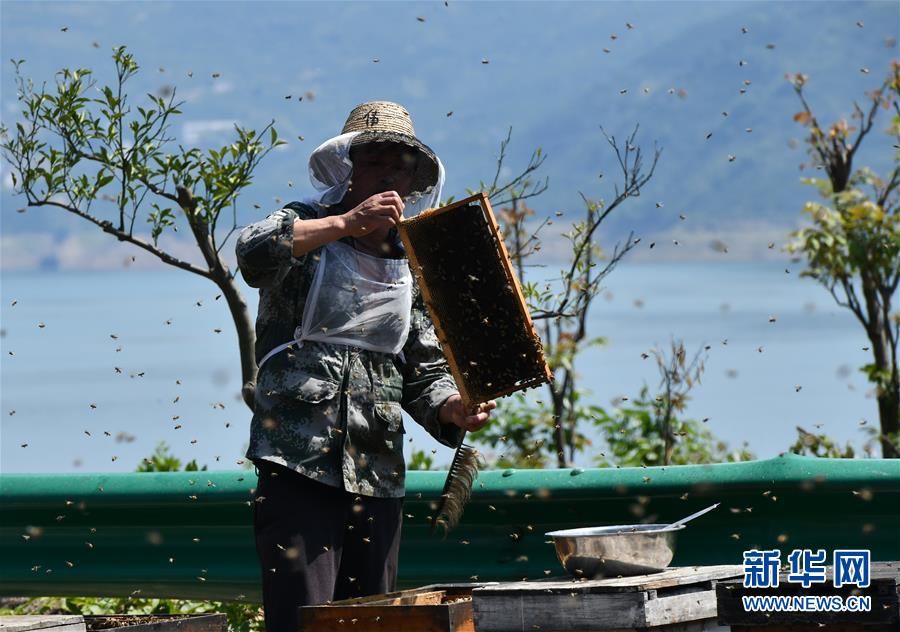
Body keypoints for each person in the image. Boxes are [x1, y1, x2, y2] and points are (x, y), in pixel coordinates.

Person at [235, 100, 497, 631]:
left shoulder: (409, 259)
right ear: (348, 166)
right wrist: (345, 223)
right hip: (297, 460)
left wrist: (453, 407)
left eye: (403, 165)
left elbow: (422, 363)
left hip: (377, 467)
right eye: (376, 160)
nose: (391, 174)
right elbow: (252, 252)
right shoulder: (305, 222)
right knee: (302, 620)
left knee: (374, 622)